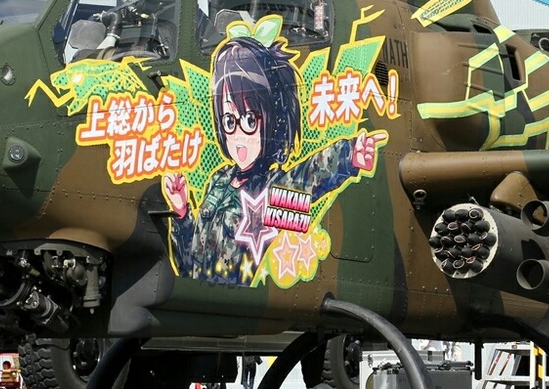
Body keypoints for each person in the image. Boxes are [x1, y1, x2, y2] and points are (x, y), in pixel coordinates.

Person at [163, 27, 385, 285]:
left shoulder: (269, 188)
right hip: (198, 297)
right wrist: (182, 214)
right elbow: (187, 263)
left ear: (271, 122)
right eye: (229, 121)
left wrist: (348, 155)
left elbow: (307, 177)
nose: (238, 135)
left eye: (249, 120)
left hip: (234, 299)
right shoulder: (218, 180)